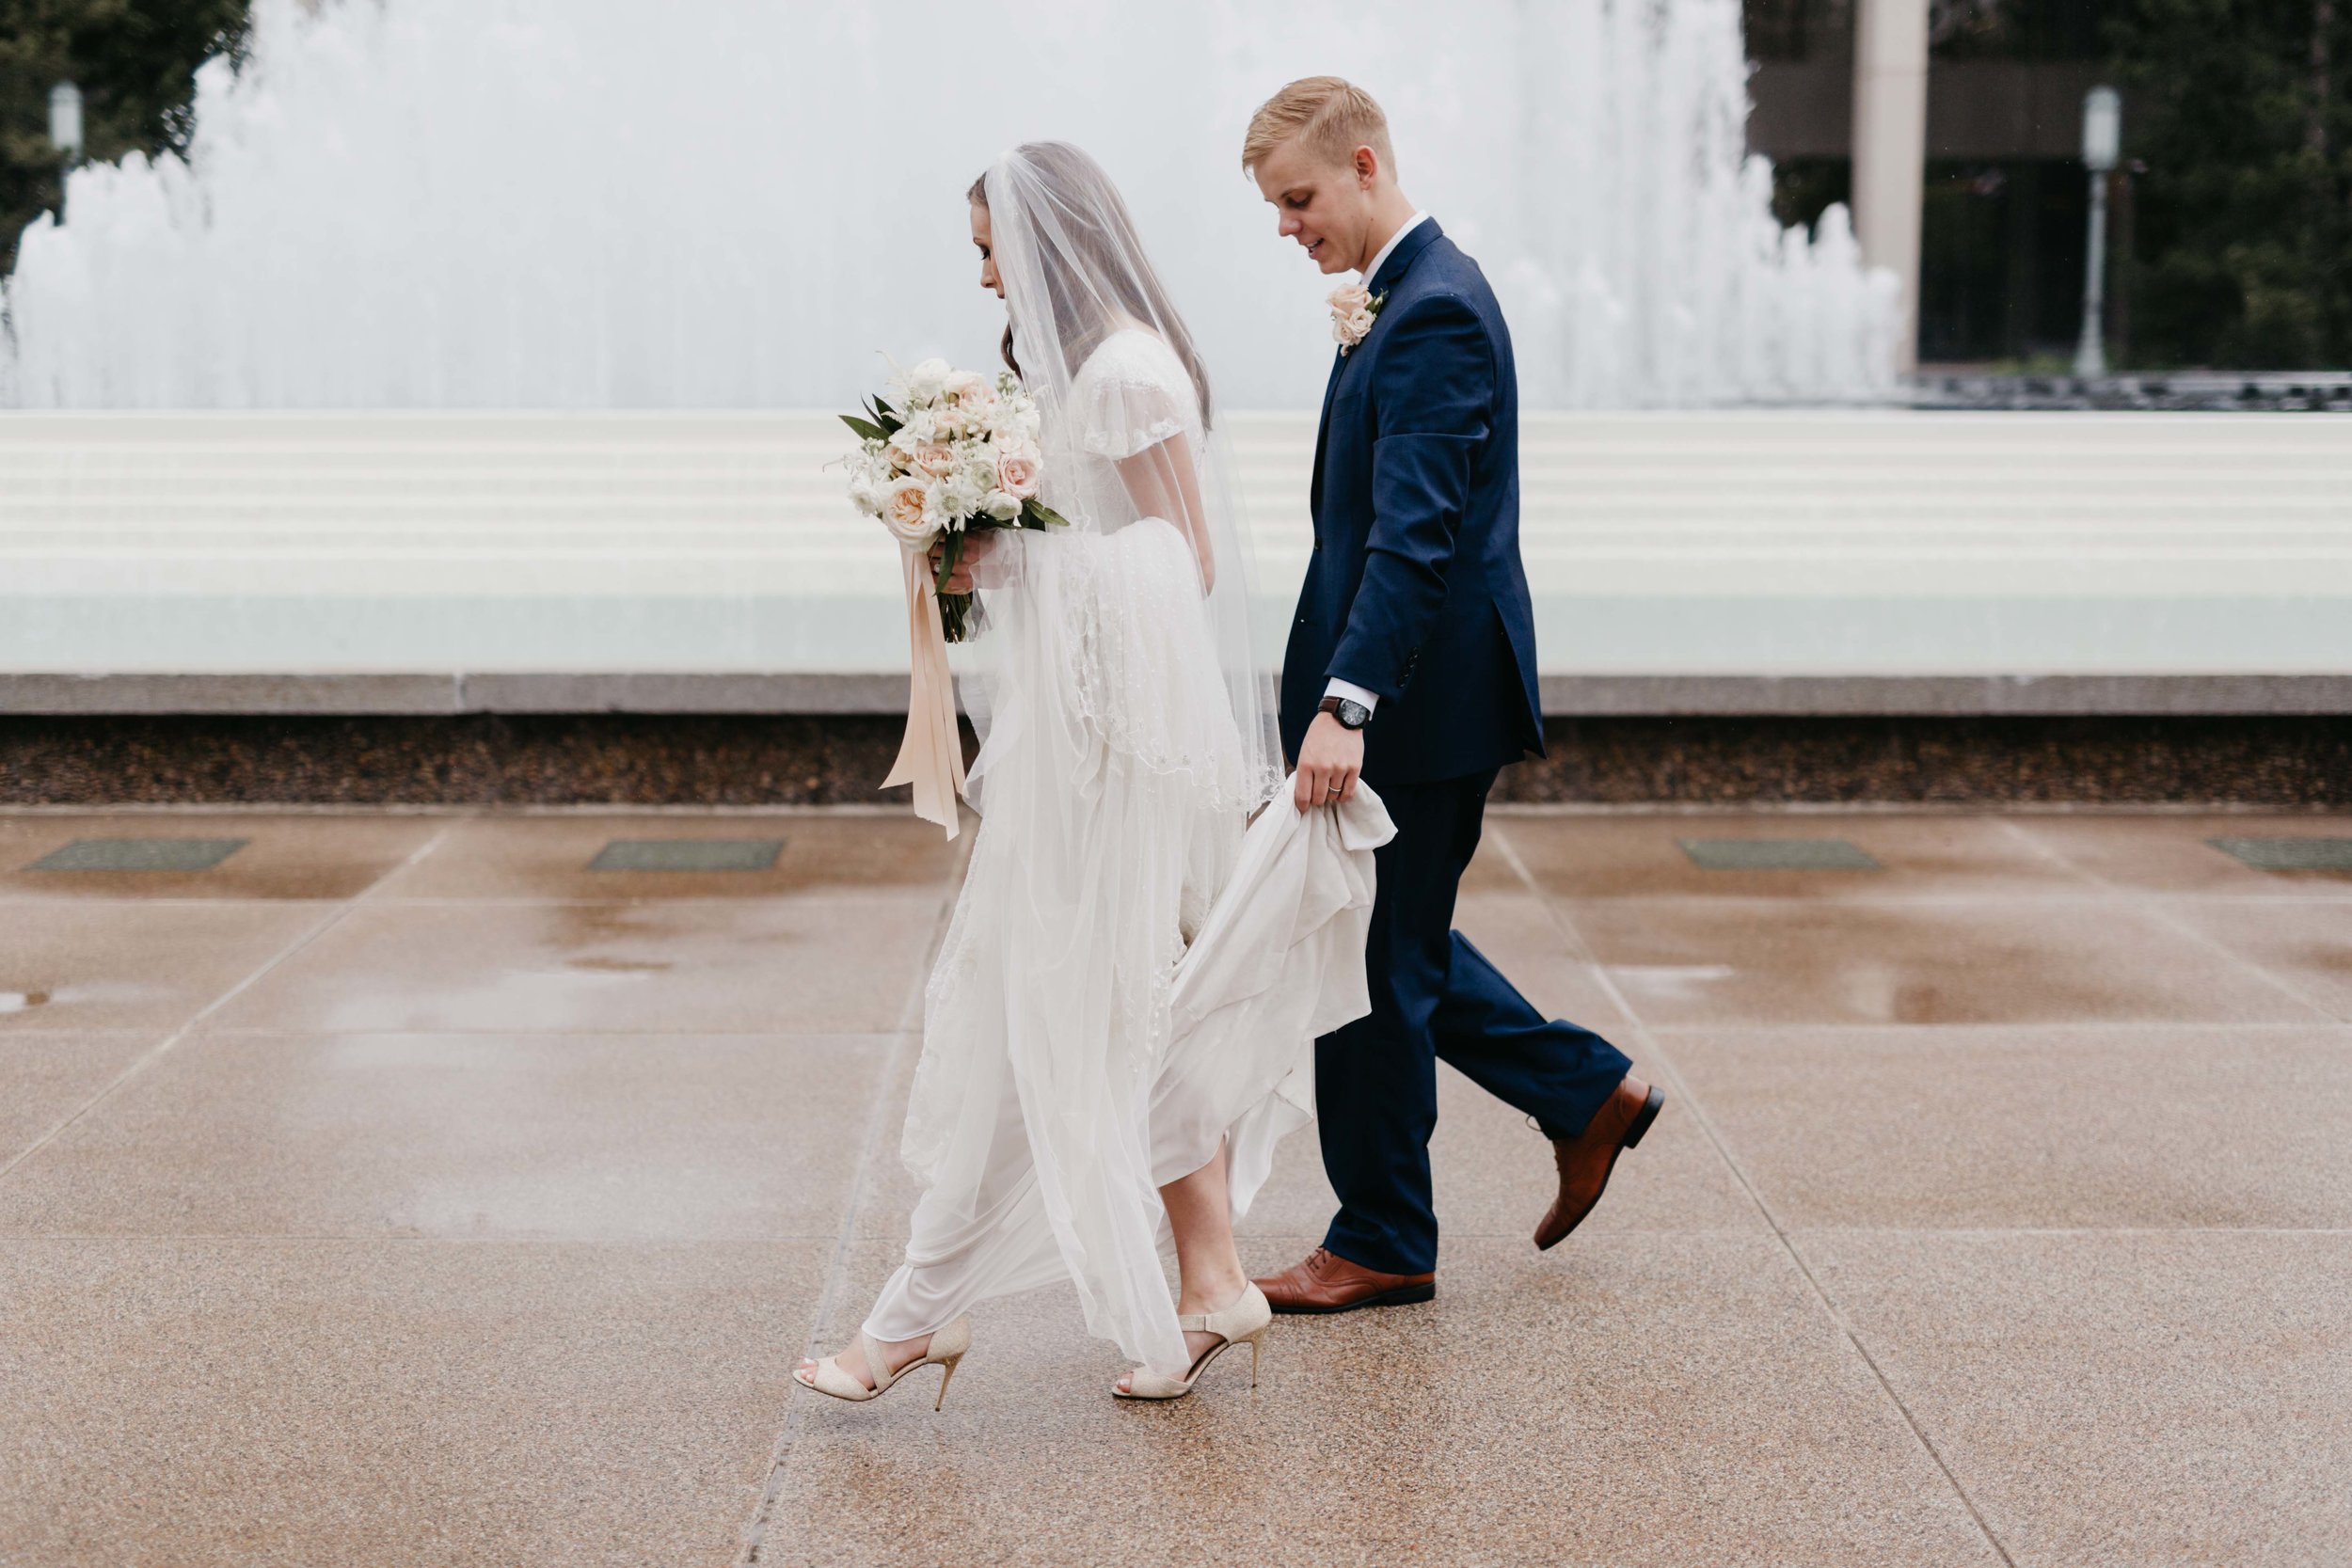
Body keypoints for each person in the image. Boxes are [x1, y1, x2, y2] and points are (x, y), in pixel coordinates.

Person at [797, 141, 1344, 1406]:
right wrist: (965, 554)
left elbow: (1182, 561)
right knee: (1120, 1006)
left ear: (1046, 247)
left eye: (992, 252)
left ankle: (911, 1316)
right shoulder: (1075, 372)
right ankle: (1207, 1285)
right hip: (1082, 738)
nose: (986, 279)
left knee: (1046, 1010)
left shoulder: (1124, 374)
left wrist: (1009, 559)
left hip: (1116, 757)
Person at [1243, 78, 1665, 1316]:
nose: (1288, 227)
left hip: (1415, 709)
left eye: (1300, 199)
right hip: (1425, 698)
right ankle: (1586, 1091)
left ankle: (1382, 1237)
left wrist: (1349, 701)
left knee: (1365, 965)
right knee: (1389, 942)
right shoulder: (1409, 297)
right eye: (1275, 207)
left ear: (1365, 165)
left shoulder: (1432, 313)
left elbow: (1415, 542)